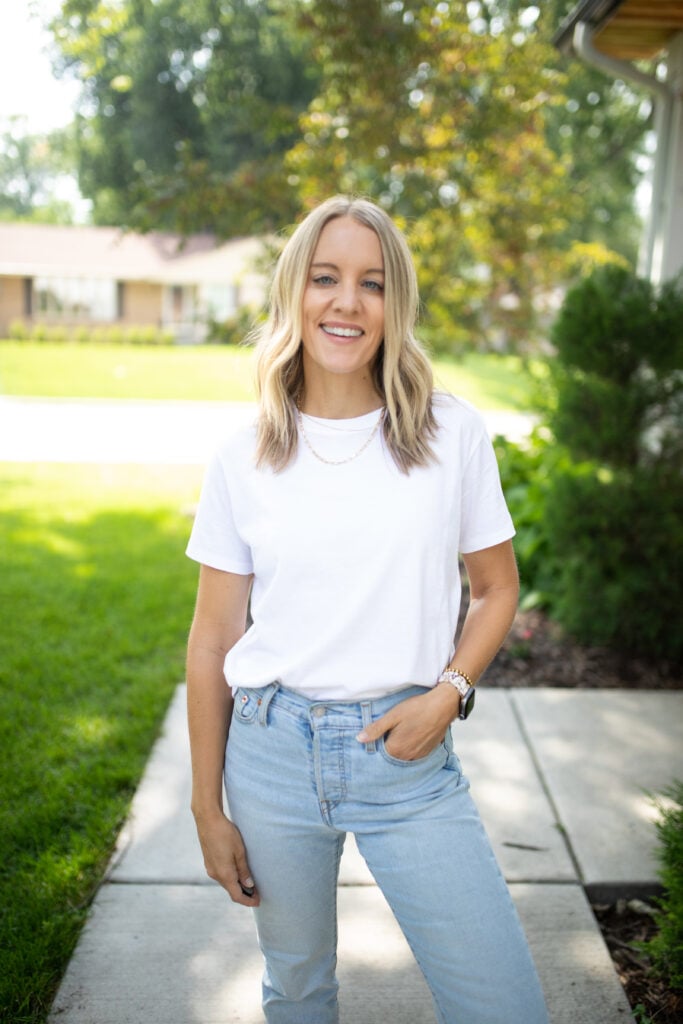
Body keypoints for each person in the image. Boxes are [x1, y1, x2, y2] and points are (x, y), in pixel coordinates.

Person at [185, 195, 550, 1024]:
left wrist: (448, 693)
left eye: (371, 284)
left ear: (397, 303)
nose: (346, 303)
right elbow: (211, 643)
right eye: (325, 279)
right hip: (270, 758)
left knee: (502, 1005)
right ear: (294, 294)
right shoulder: (243, 455)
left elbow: (495, 589)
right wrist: (208, 807)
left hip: (406, 758)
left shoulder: (449, 433)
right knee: (298, 989)